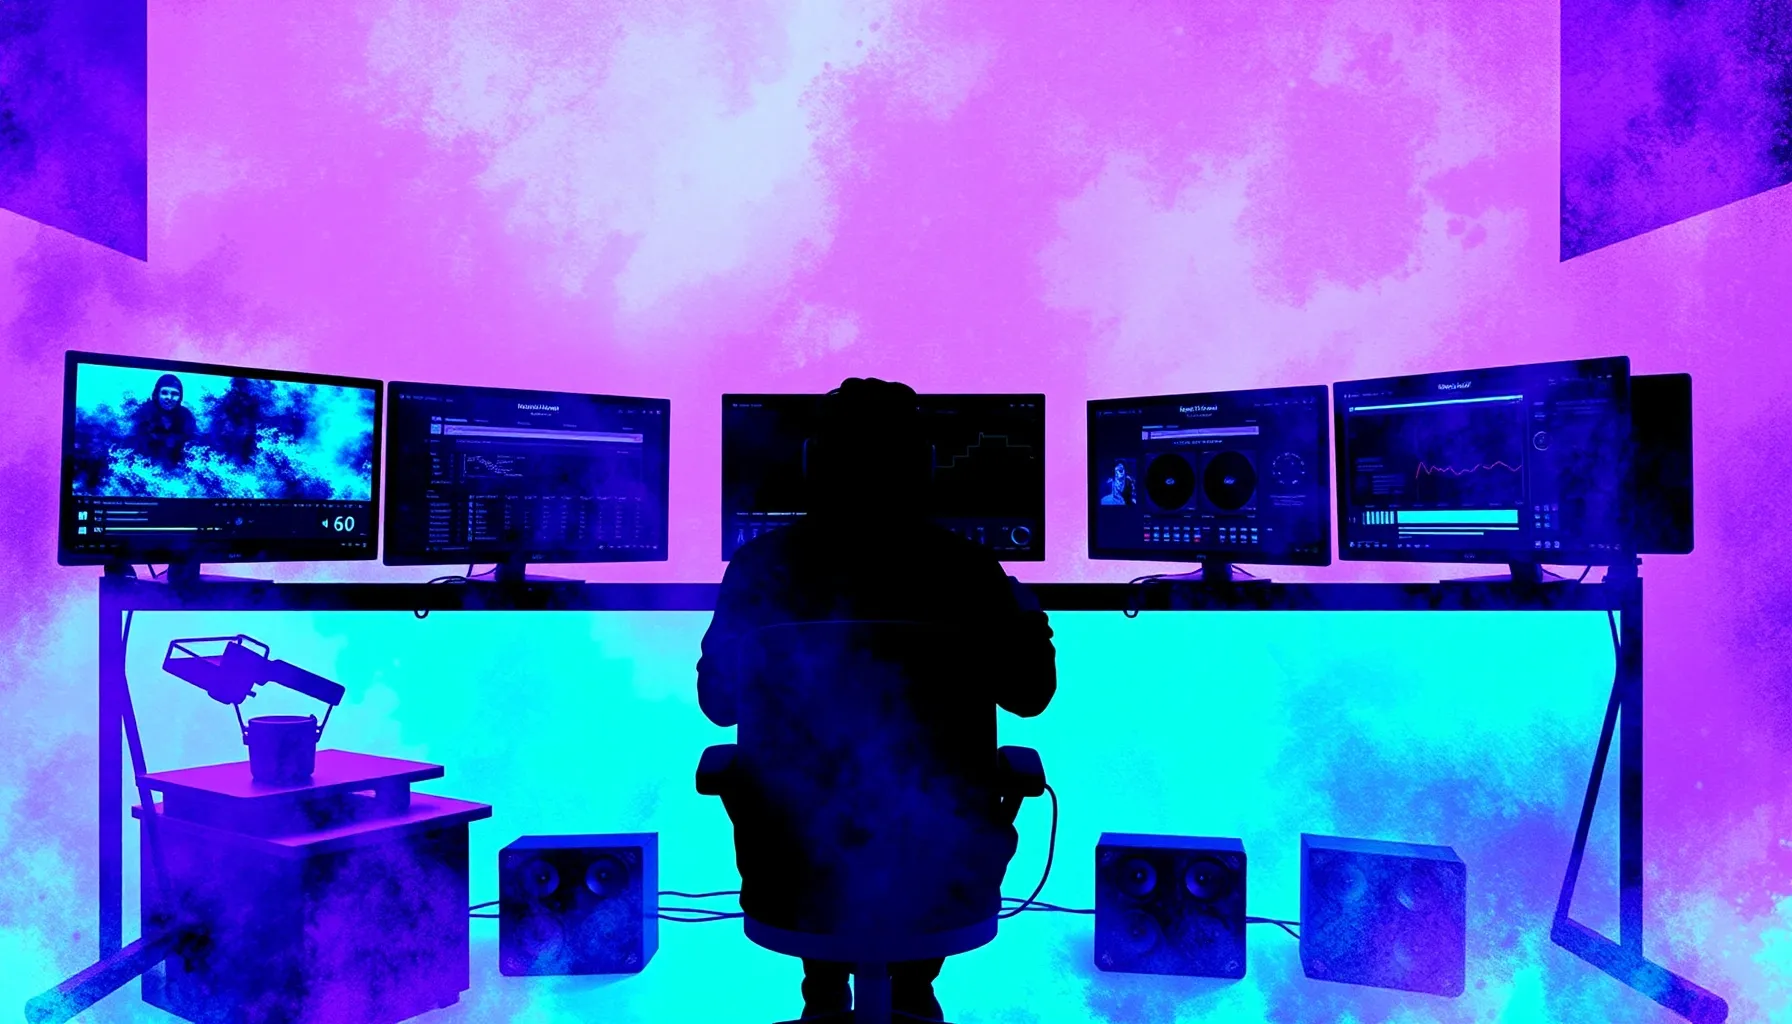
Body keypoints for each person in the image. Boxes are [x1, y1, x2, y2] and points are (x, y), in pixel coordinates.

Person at [697, 378, 1056, 1022]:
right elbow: (1031, 695)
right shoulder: (969, 571)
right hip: (940, 882)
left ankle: (824, 991)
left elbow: (717, 703)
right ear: (922, 469)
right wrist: (1028, 617)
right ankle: (913, 991)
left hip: (794, 880)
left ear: (815, 464)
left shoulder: (759, 568)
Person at [129, 373, 197, 468]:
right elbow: (135, 444)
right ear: (157, 394)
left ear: (180, 397)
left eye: (174, 394)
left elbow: (193, 444)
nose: (169, 398)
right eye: (164, 393)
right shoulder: (144, 414)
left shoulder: (186, 416)